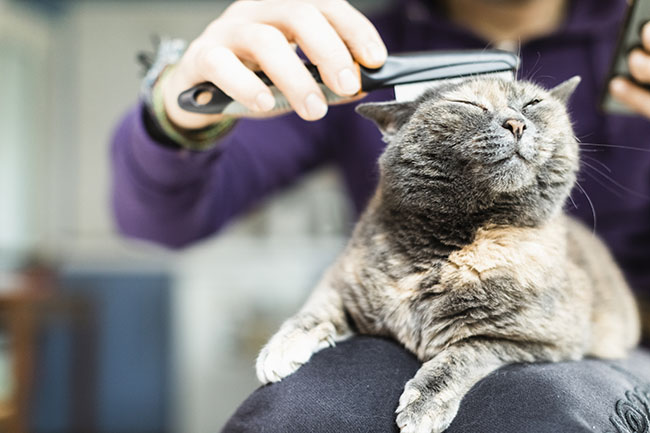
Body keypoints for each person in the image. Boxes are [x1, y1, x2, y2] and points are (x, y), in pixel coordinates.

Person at [111, 0, 650, 431]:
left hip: (611, 335)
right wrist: (176, 113)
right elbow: (162, 221)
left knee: (546, 408)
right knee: (301, 414)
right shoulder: (352, 53)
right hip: (398, 309)